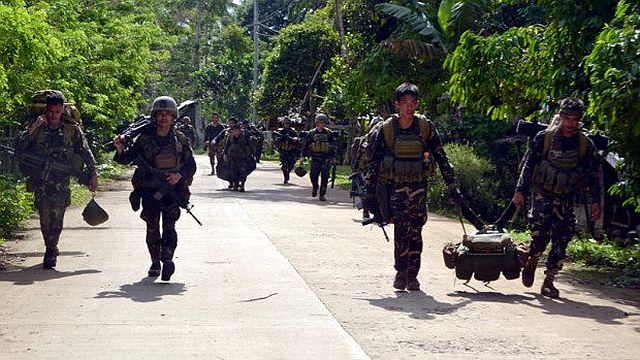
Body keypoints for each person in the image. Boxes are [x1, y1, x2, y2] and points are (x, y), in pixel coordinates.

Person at [364, 83, 461, 291]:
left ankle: (413, 275)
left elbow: (441, 157)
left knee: (416, 231)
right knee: (401, 230)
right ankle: (400, 272)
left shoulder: (426, 127)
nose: (409, 107)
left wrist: (452, 186)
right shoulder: (387, 129)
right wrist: (369, 192)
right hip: (395, 188)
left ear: (417, 104)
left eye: (413, 103)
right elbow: (375, 161)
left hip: (419, 187)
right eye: (405, 103)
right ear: (397, 104)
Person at [513, 97, 601, 298]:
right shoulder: (544, 138)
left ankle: (549, 281)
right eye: (567, 118)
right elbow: (529, 166)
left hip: (567, 197)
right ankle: (533, 259)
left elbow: (593, 174)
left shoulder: (584, 144)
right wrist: (520, 191)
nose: (571, 123)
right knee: (539, 235)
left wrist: (595, 201)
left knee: (562, 239)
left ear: (580, 120)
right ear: (561, 116)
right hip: (543, 194)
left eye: (575, 120)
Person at [113, 96, 196, 281]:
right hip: (149, 191)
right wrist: (119, 148)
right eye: (161, 114)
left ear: (174, 118)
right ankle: (155, 262)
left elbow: (191, 165)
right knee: (152, 228)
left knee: (169, 227)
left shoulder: (180, 139)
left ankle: (167, 259)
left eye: (168, 114)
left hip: (172, 192)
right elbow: (126, 158)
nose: (164, 118)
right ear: (155, 117)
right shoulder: (144, 139)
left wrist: (179, 176)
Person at [16, 92, 98, 269]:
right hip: (41, 180)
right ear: (46, 110)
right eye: (50, 112)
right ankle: (50, 245)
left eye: (57, 112)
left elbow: (85, 150)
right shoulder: (37, 126)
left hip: (61, 180)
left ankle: (51, 250)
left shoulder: (71, 129)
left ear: (62, 110)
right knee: (44, 217)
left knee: (57, 217)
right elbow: (19, 147)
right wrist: (34, 127)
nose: (53, 116)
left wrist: (93, 172)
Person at [349, 116, 383, 219]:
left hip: (379, 169)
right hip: (365, 168)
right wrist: (355, 167)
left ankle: (378, 212)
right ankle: (365, 210)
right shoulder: (365, 139)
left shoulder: (383, 139)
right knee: (366, 191)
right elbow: (359, 154)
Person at [299, 113, 336, 201]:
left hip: (325, 158)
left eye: (323, 123)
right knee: (313, 176)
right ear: (317, 123)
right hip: (315, 158)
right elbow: (306, 145)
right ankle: (315, 187)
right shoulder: (311, 133)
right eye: (320, 122)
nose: (321, 124)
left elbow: (333, 147)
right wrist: (302, 156)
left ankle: (322, 194)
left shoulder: (329, 134)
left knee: (325, 176)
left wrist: (333, 158)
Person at [222, 123, 255, 192]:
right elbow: (227, 146)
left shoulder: (245, 137)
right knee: (234, 172)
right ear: (233, 131)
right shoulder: (230, 137)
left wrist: (252, 154)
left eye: (238, 131)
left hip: (243, 157)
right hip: (233, 158)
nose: (236, 132)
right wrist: (225, 154)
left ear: (240, 131)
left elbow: (250, 145)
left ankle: (242, 185)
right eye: (235, 131)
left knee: (243, 172)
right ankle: (235, 185)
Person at [274, 118, 300, 184]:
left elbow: (298, 140)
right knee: (284, 165)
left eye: (288, 124)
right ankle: (286, 177)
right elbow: (276, 140)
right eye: (285, 124)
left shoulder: (293, 132)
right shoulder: (281, 132)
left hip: (291, 151)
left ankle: (287, 173)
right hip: (283, 151)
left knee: (291, 165)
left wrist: (294, 140)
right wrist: (282, 138)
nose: (287, 125)